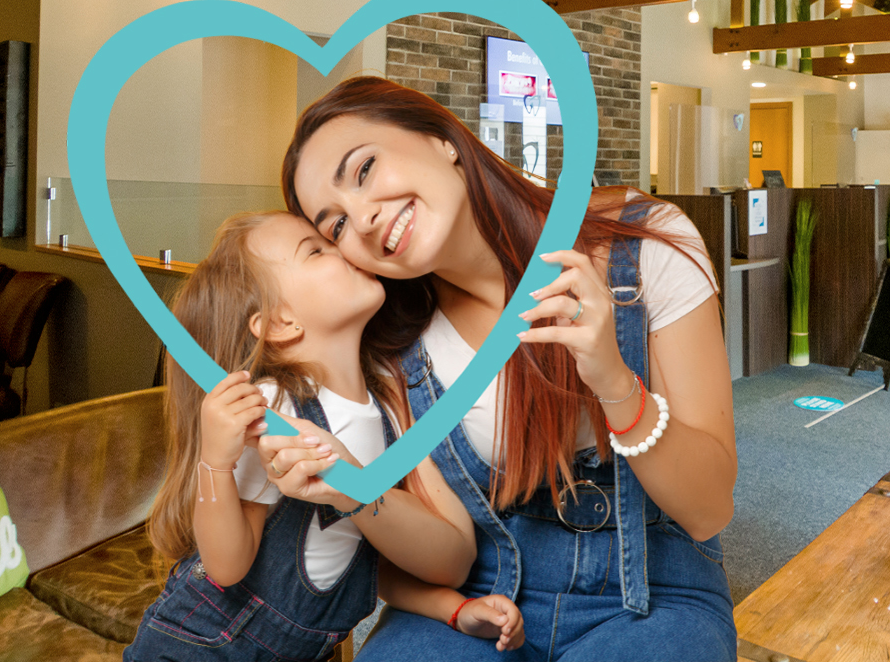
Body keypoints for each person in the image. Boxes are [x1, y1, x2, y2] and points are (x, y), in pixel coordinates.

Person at [262, 76, 738, 660]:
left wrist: (612, 379)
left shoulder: (641, 245)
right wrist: (349, 484)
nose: (361, 220)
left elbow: (709, 508)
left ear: (441, 138)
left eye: (363, 171)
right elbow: (447, 554)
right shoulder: (393, 342)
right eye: (335, 225)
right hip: (481, 592)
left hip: (650, 591)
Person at [127, 211, 523, 661]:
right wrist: (214, 462)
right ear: (280, 324)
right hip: (195, 649)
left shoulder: (389, 412)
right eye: (316, 250)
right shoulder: (275, 407)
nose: (346, 248)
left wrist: (455, 610)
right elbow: (226, 567)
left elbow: (360, 566)